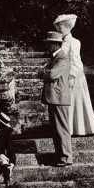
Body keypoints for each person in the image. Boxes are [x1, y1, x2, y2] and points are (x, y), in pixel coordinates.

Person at [53, 14, 94, 136]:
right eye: (57, 26)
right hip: (63, 76)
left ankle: (79, 129)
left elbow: (76, 63)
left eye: (60, 26)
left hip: (74, 77)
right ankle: (69, 129)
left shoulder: (74, 42)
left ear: (68, 27)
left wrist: (71, 77)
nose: (58, 29)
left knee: (75, 103)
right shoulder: (59, 42)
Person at [38, 31, 73, 167]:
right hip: (54, 98)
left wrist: (42, 72)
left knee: (62, 128)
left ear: (56, 45)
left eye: (49, 44)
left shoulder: (63, 59)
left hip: (59, 97)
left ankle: (66, 157)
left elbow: (52, 74)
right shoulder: (54, 59)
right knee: (56, 129)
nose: (47, 47)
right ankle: (60, 155)